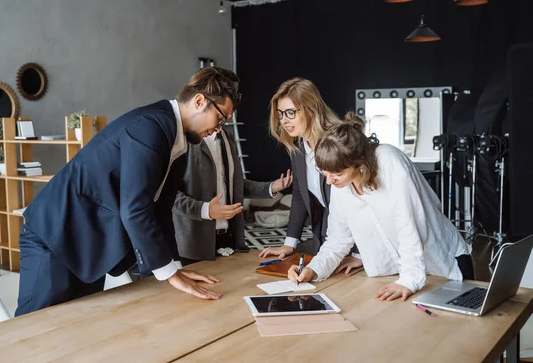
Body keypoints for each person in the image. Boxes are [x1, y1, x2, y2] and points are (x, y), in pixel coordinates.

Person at [15, 67, 241, 316]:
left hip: (89, 243)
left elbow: (161, 211)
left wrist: (173, 266)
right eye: (221, 119)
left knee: (76, 331)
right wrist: (168, 274)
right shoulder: (151, 127)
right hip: (55, 237)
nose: (219, 128)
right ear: (200, 101)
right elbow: (135, 209)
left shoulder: (178, 140)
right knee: (31, 332)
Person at [288, 112, 473, 302]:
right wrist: (313, 269)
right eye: (324, 173)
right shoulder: (340, 185)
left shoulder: (389, 160)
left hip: (443, 266)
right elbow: (338, 239)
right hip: (398, 276)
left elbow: (409, 225)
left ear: (359, 165)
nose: (329, 181)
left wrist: (409, 280)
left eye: (336, 174)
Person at [259, 78, 362, 274]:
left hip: (360, 244)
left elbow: (365, 199)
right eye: (280, 114)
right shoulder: (298, 148)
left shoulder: (339, 141)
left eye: (291, 112)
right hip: (327, 241)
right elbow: (299, 194)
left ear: (311, 109)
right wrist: (290, 242)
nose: (284, 120)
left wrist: (359, 255)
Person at [173, 127, 293, 263]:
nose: (229, 116)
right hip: (192, 244)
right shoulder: (181, 140)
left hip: (228, 240)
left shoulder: (227, 137)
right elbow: (169, 195)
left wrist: (271, 187)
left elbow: (236, 185)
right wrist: (204, 210)